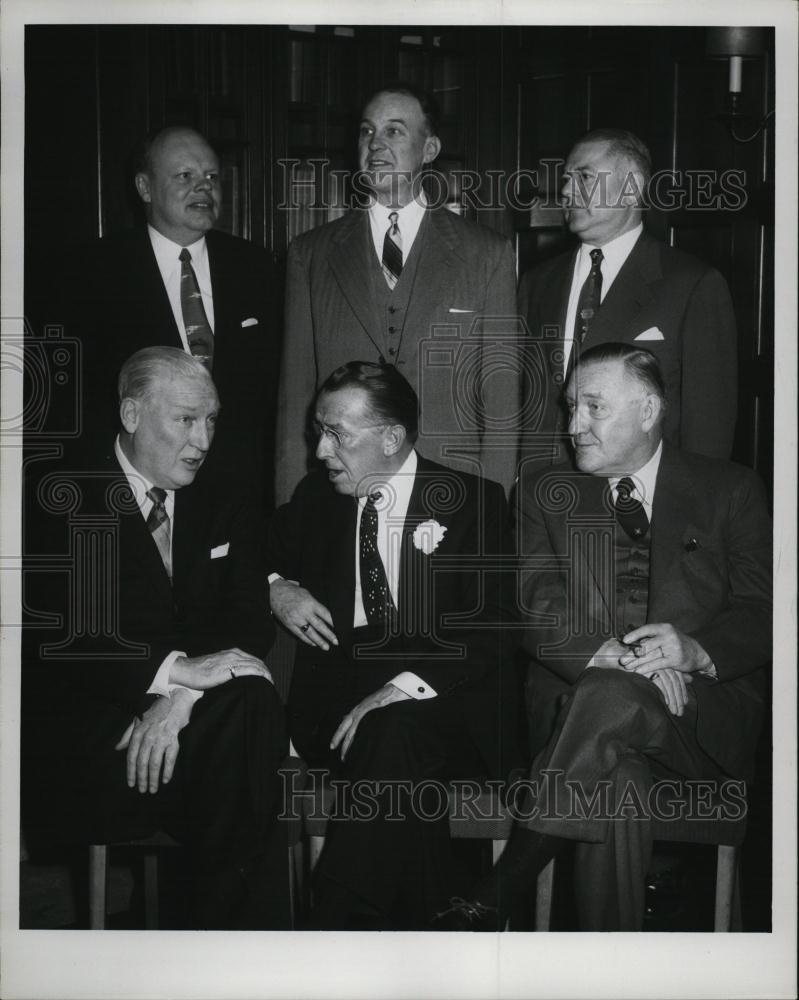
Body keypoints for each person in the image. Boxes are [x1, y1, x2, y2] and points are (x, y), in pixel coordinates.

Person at [436, 343, 771, 930]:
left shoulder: (730, 489)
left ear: (648, 410)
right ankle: (605, 971)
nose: (573, 428)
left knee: (613, 719)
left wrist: (693, 651)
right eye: (570, 408)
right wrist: (614, 660)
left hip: (696, 726)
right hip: (580, 723)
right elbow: (532, 603)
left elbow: (767, 609)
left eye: (593, 407)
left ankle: (500, 888)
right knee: (616, 766)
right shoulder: (543, 491)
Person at [21, 347, 289, 929]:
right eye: (187, 419)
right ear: (132, 414)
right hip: (102, 740)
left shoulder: (225, 494)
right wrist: (171, 672)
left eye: (212, 419)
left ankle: (212, 936)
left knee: (252, 701)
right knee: (247, 750)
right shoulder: (58, 490)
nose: (204, 439)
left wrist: (181, 697)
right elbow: (65, 632)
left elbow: (246, 620)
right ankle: (228, 940)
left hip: (197, 733)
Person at [267, 362, 520, 929]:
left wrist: (400, 688)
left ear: (391, 438)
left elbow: (497, 625)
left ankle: (338, 922)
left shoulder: (473, 501)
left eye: (337, 434)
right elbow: (248, 551)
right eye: (318, 431)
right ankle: (450, 930)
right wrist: (278, 587)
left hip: (447, 705)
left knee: (395, 731)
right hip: (337, 712)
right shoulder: (317, 497)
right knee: (394, 747)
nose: (321, 452)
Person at [275, 82, 520, 503]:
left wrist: (489, 508)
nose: (375, 144)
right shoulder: (310, 254)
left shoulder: (487, 255)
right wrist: (291, 511)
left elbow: (500, 403)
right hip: (338, 494)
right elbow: (295, 397)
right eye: (367, 131)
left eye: (394, 131)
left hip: (451, 491)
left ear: (430, 149)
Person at [59, 126, 278, 508]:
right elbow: (75, 395)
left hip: (238, 493)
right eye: (184, 176)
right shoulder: (92, 272)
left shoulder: (255, 266)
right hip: (137, 491)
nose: (204, 188)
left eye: (212, 177)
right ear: (144, 188)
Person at [518, 128, 738, 471]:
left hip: (640, 502)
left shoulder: (692, 284)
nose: (565, 190)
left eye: (584, 177)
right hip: (544, 495)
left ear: (632, 187)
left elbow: (709, 425)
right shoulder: (537, 282)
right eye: (565, 179)